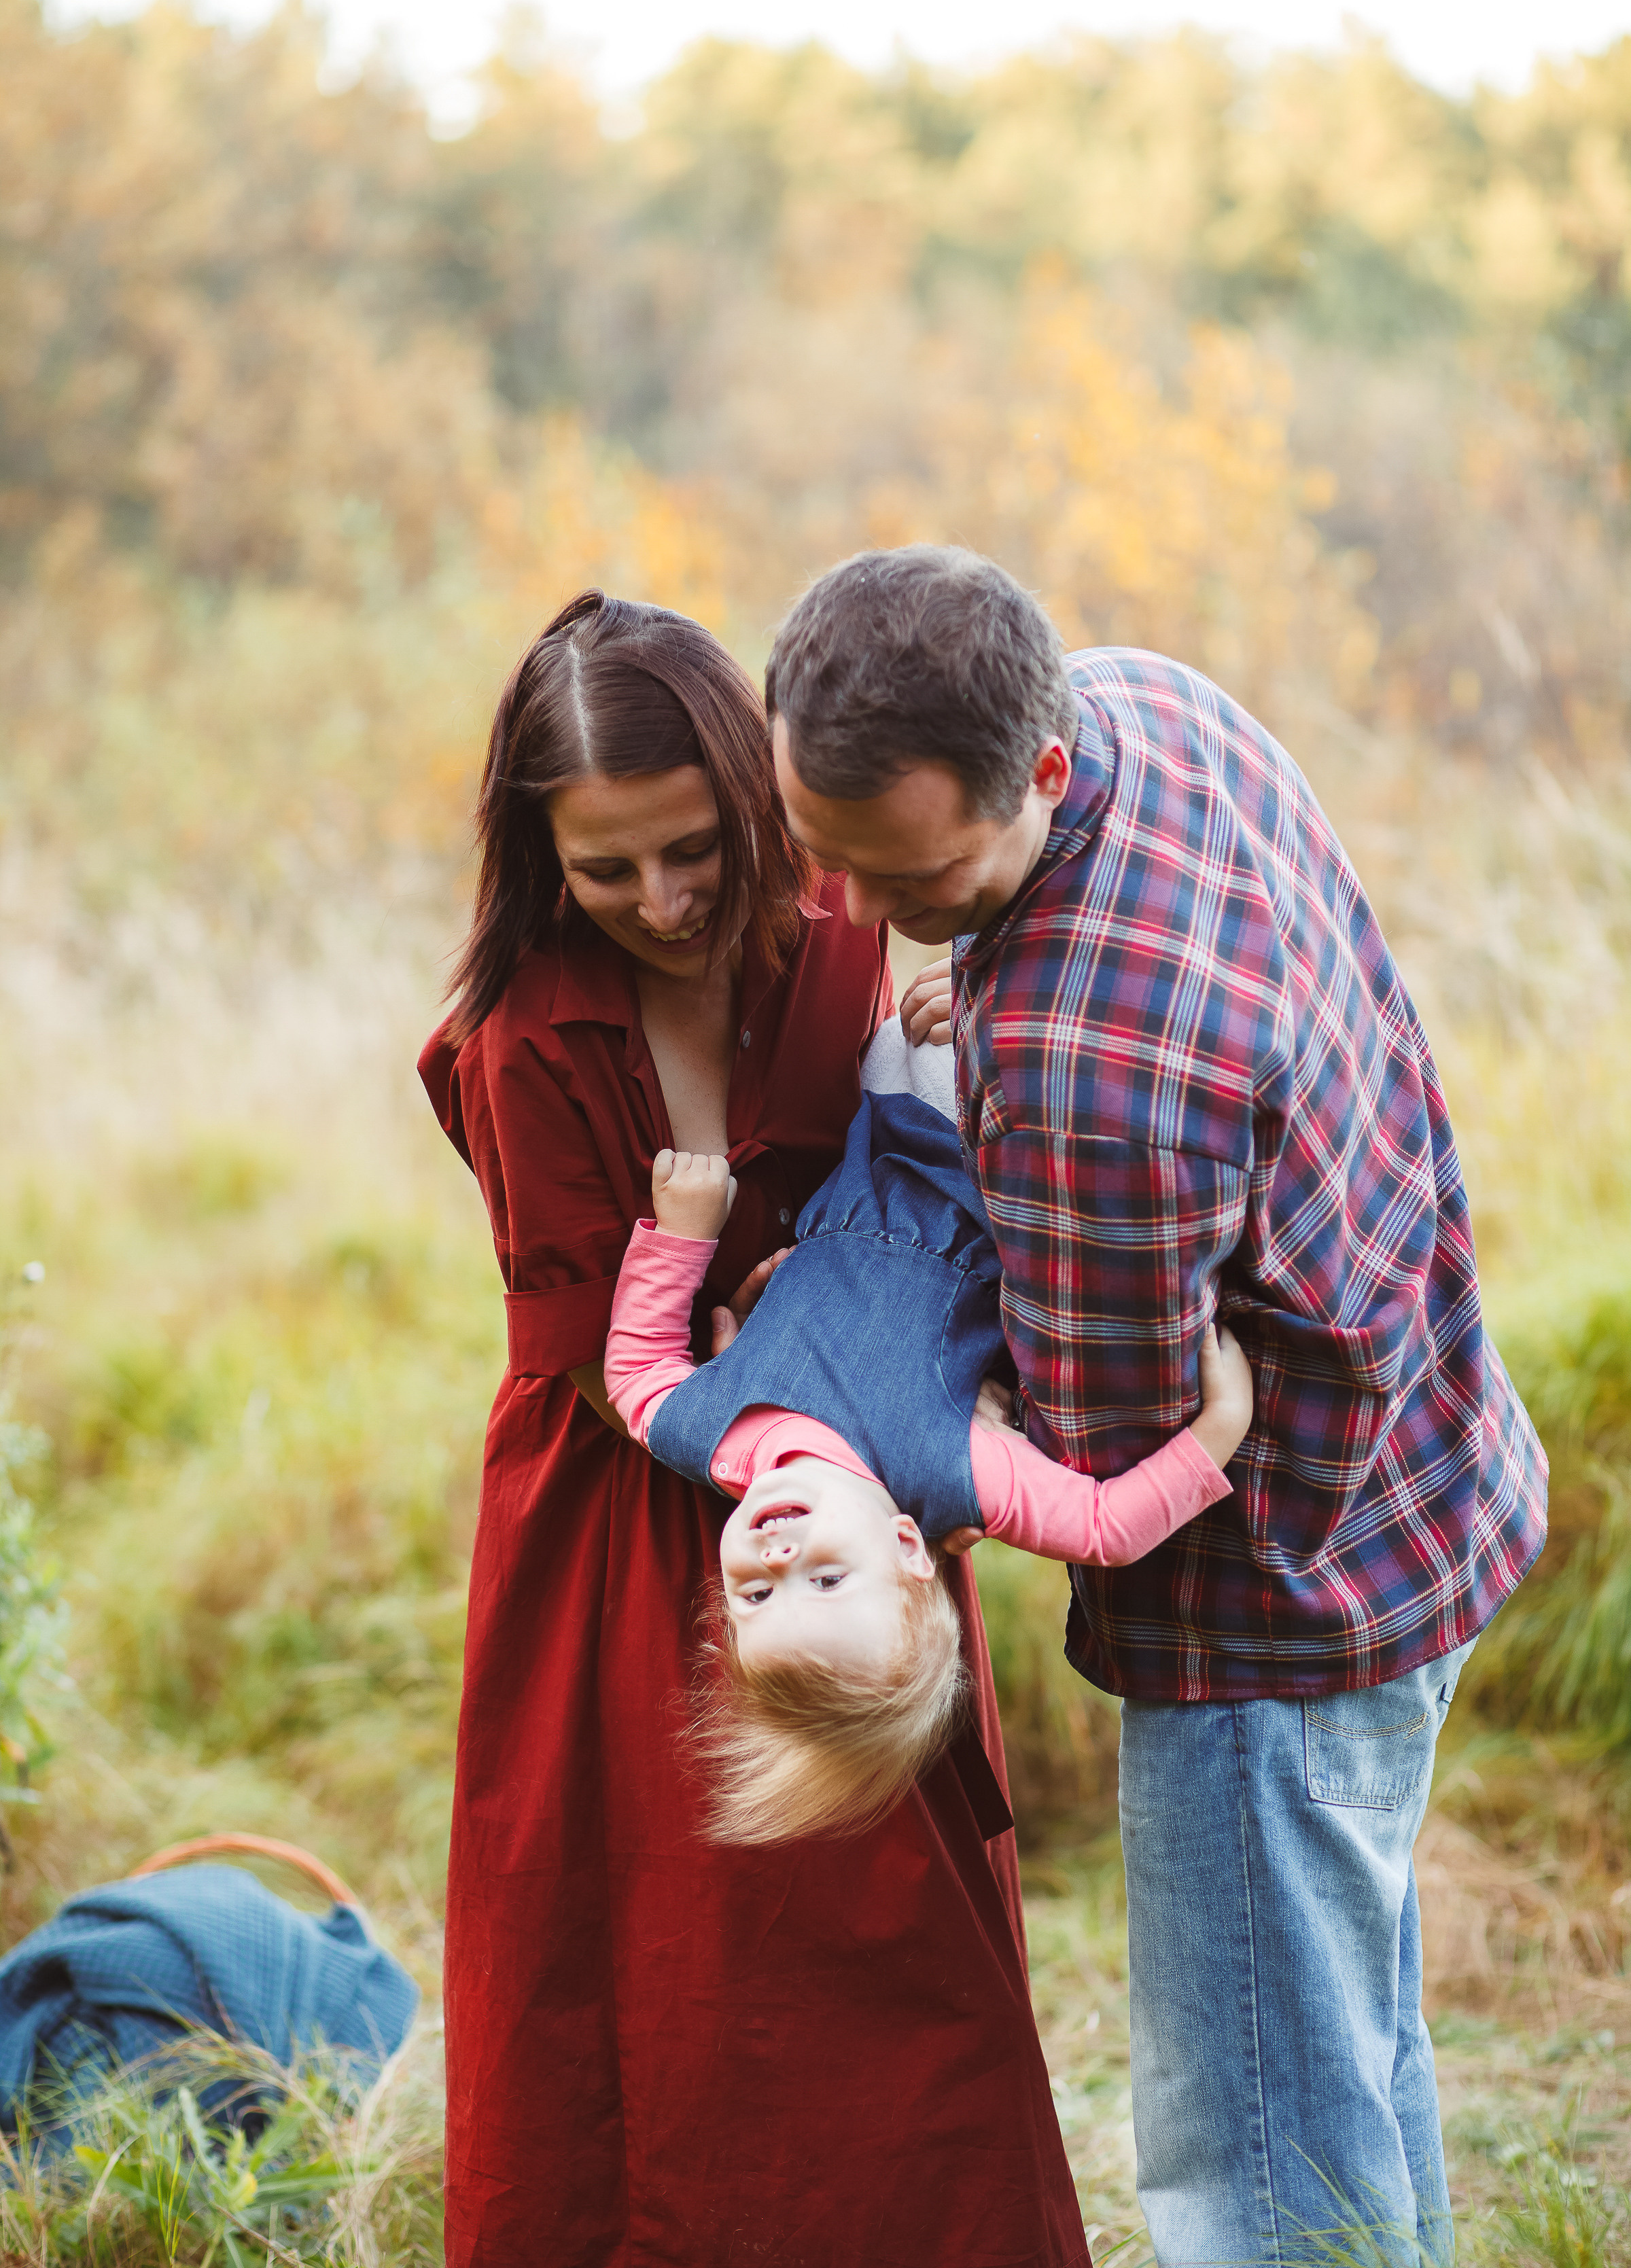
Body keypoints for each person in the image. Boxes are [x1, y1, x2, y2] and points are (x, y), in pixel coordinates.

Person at [762, 544, 1549, 2267]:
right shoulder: (1144, 703)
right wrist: (970, 975)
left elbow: (1098, 1445)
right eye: (828, 860)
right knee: (1345, 2049)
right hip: (1425, 1462)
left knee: (1255, 2144)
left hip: (1271, 1604)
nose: (870, 912)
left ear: (1032, 770)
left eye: (915, 874)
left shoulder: (1087, 1081)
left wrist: (835, 1364)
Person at [419, 589, 1091, 2268]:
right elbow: (592, 1363)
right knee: (649, 1977)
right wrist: (776, 1368)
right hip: (642, 1511)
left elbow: (919, 1172)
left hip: (850, 1488)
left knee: (896, 1957)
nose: (656, 899)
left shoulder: (838, 918)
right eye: (600, 867)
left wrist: (948, 1065)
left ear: (747, 788)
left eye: (689, 847)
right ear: (539, 863)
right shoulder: (525, 1043)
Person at [602, 1096, 1249, 1843]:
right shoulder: (955, 1468)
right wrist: (1221, 1427)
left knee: (920, 1018)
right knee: (986, 1032)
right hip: (996, 1174)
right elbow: (1106, 1528)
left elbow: (636, 1373)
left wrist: (683, 1235)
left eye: (754, 1593)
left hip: (872, 1130)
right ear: (909, 1548)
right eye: (825, 1581)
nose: (777, 1559)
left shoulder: (714, 1440)